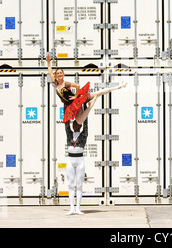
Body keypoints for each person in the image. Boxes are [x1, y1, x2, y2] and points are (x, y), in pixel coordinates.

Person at [46, 53, 127, 214]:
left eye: (61, 73)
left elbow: (77, 85)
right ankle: (92, 103)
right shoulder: (55, 83)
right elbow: (49, 71)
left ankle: (117, 87)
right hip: (71, 107)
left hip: (75, 102)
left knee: (96, 94)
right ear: (56, 76)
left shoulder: (66, 83)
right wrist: (48, 62)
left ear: (64, 75)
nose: (59, 75)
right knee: (79, 121)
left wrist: (77, 97)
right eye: (58, 73)